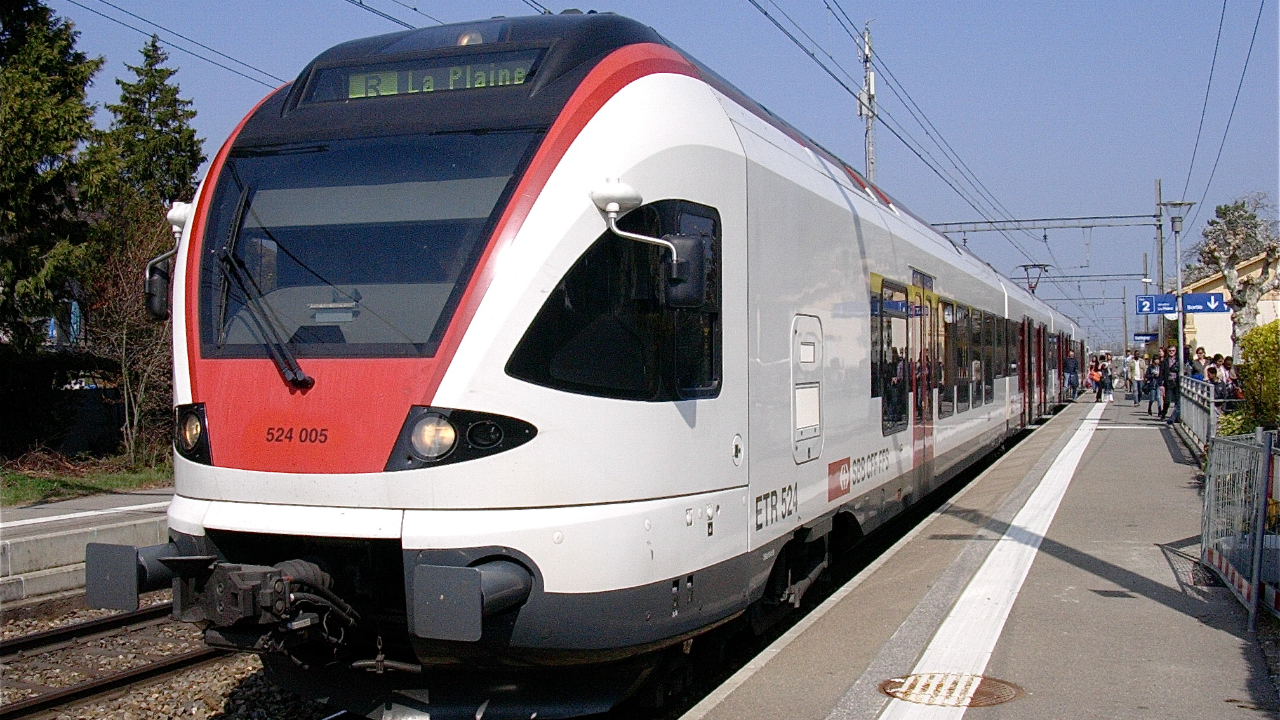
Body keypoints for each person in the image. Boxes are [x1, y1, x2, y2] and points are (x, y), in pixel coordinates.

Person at [1159, 345, 1181, 423]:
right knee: (1167, 400)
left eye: (1173, 351)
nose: (1171, 352)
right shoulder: (1165, 361)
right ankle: (1163, 414)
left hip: (1177, 382)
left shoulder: (1179, 360)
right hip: (1168, 382)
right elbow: (1161, 373)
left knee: (1178, 401)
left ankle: (1177, 417)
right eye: (1170, 351)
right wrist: (1161, 384)